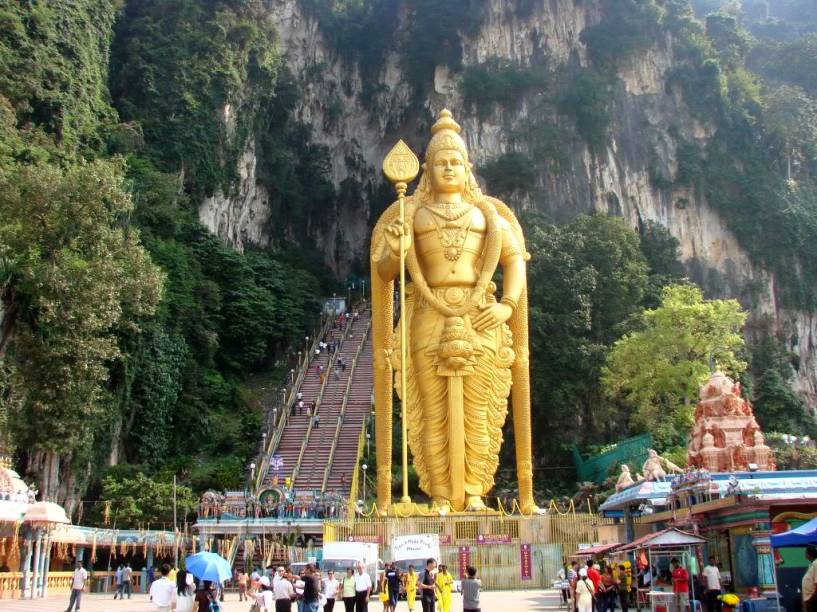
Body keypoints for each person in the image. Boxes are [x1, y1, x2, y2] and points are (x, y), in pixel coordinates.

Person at [803, 547, 817, 612]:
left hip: (812, 598)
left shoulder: (816, 563)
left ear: (809, 554)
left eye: (805, 552)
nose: (804, 554)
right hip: (808, 597)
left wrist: (813, 597)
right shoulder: (812, 564)